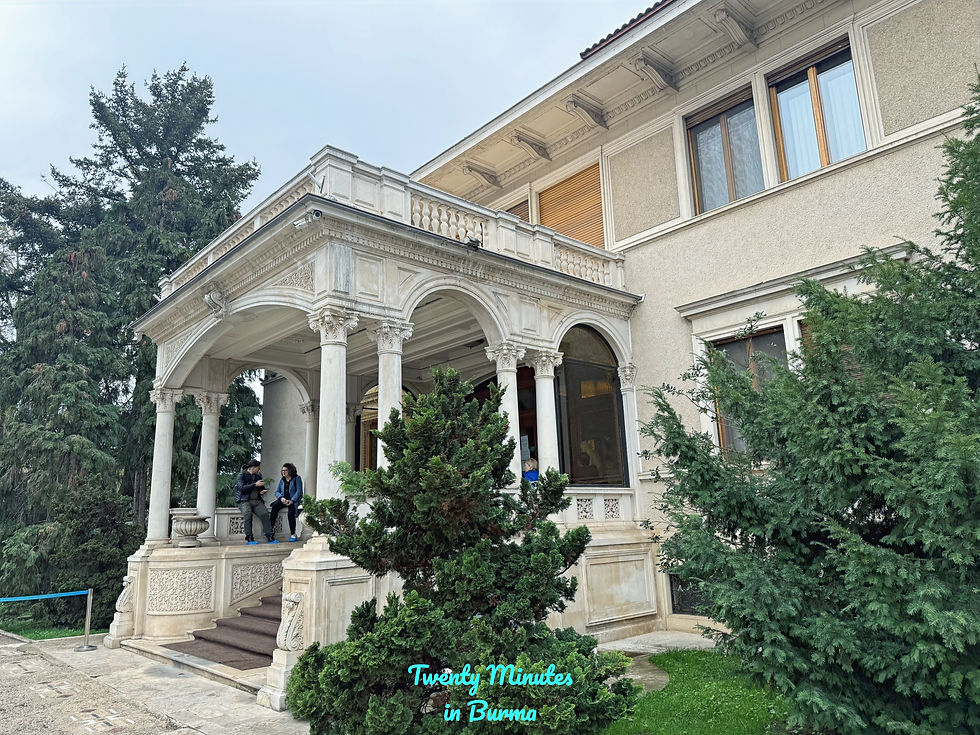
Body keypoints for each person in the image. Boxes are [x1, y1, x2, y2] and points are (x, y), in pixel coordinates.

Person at [234, 459, 275, 545]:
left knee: (265, 514)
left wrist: (262, 491)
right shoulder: (241, 475)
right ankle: (249, 537)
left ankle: (269, 535)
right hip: (244, 500)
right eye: (258, 468)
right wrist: (255, 484)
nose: (259, 470)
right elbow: (241, 488)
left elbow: (259, 488)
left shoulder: (258, 476)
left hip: (257, 500)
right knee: (248, 515)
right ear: (253, 468)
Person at [270, 462, 303, 542]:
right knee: (274, 508)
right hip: (284, 500)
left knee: (290, 514)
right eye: (282, 470)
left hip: (293, 501)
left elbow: (299, 491)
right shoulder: (282, 480)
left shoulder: (297, 478)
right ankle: (270, 530)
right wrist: (281, 498)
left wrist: (292, 500)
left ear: (290, 470)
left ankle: (293, 534)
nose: (283, 472)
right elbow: (277, 492)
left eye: (285, 470)